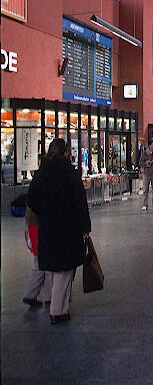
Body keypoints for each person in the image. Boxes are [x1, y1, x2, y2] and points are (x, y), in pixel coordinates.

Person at [26, 138, 91, 324]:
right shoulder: (69, 174)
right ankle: (58, 311)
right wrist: (85, 227)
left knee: (53, 268)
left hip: (47, 227)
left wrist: (44, 213)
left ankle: (56, 303)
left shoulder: (40, 174)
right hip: (68, 228)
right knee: (64, 270)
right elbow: (80, 203)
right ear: (65, 153)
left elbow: (32, 201)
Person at [21, 205, 52, 308]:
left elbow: (29, 240)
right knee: (44, 272)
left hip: (36, 250)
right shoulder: (40, 225)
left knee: (42, 272)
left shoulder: (29, 225)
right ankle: (33, 295)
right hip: (43, 250)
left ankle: (48, 297)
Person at [138, 140, 153, 211]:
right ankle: (145, 204)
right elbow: (140, 163)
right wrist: (146, 163)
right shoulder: (144, 153)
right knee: (145, 190)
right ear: (149, 145)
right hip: (147, 174)